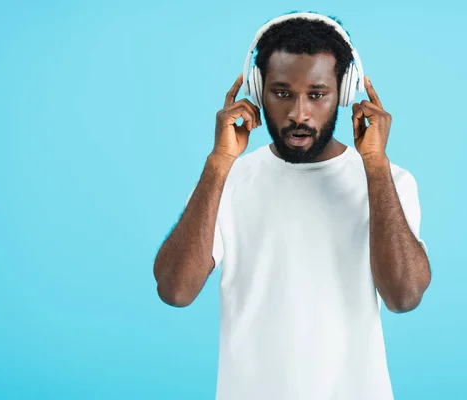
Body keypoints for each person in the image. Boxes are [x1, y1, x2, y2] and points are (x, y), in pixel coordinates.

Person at [153, 11, 431, 400]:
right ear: (257, 90)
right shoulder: (225, 182)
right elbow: (175, 290)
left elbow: (404, 296)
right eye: (282, 93)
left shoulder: (391, 181)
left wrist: (375, 166)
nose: (299, 113)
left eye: (317, 94)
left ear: (345, 93)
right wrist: (219, 163)